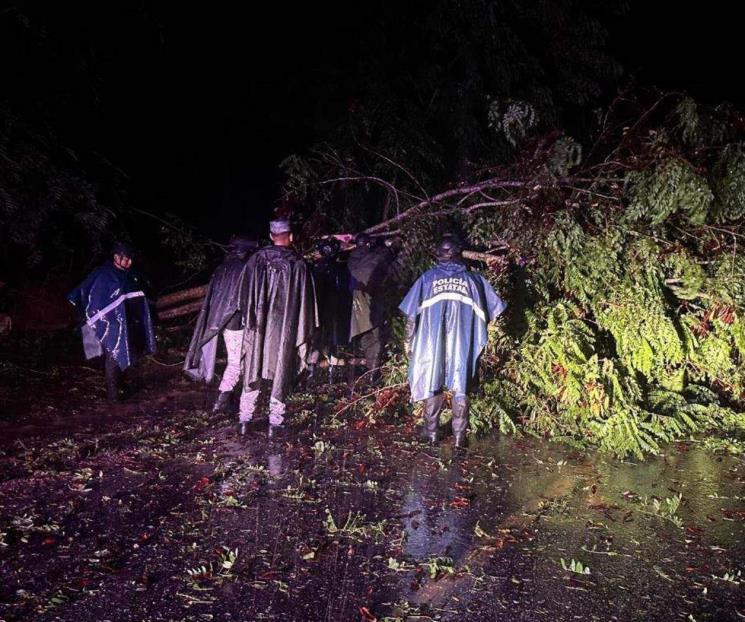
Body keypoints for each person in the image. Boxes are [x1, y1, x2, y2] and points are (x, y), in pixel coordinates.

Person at [399, 234, 506, 448]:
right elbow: (495, 310)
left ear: (439, 256)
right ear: (459, 255)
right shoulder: (475, 280)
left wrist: (408, 340)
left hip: (431, 342)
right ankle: (459, 437)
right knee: (461, 385)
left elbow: (411, 315)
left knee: (432, 381)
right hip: (464, 341)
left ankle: (431, 433)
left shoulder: (427, 279)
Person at [237, 219, 318, 436]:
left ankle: (244, 420)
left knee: (253, 365)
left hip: (258, 327)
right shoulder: (298, 265)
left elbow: (243, 295)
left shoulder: (256, 260)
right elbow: (306, 305)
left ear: (271, 236)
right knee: (282, 367)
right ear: (290, 237)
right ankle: (275, 422)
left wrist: (251, 317)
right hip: (285, 329)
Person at [67, 242, 156, 403]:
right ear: (116, 257)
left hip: (127, 323)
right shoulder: (103, 273)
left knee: (128, 354)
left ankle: (122, 385)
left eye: (130, 259)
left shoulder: (130, 275)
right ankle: (113, 397)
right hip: (109, 325)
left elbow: (136, 297)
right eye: (126, 259)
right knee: (113, 356)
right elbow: (83, 292)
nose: (129, 262)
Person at [183, 236, 258, 412]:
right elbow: (244, 301)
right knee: (236, 364)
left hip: (222, 323)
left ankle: (228, 399)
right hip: (236, 323)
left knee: (235, 361)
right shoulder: (243, 269)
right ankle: (221, 401)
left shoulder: (221, 268)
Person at [347, 232, 398, 382]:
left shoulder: (351, 259)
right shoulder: (373, 257)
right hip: (370, 302)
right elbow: (384, 256)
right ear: (368, 244)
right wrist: (391, 246)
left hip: (354, 306)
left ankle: (370, 371)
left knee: (365, 337)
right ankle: (373, 375)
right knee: (376, 337)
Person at [307, 237, 352, 384]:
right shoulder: (338, 268)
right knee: (331, 340)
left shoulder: (315, 268)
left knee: (317, 340)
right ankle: (329, 371)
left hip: (319, 311)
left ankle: (313, 371)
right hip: (331, 310)